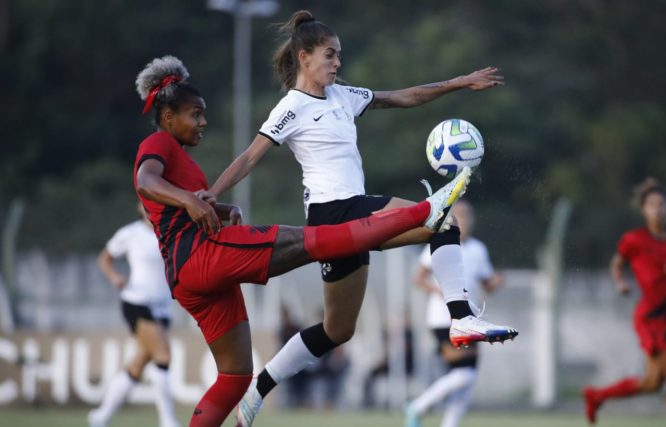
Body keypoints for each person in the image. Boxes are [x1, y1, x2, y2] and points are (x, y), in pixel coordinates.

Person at [202, 11, 517, 425]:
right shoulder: (291, 107)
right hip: (330, 219)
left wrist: (458, 82)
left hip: (357, 207)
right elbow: (249, 156)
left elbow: (403, 96)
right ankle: (257, 392)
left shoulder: (344, 96)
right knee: (338, 328)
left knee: (442, 223)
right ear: (304, 57)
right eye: (329, 55)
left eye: (339, 56)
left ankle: (461, 317)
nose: (337, 63)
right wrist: (212, 194)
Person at [133, 55, 472, 427]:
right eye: (195, 114)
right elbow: (145, 182)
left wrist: (218, 204)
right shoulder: (159, 142)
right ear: (168, 117)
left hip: (187, 277)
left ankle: (450, 281)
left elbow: (176, 206)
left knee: (235, 376)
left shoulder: (182, 156)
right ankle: (426, 208)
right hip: (202, 255)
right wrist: (190, 200)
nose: (203, 122)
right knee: (311, 242)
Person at [582, 178, 666, 427]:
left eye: (661, 204)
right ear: (644, 210)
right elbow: (617, 264)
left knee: (652, 383)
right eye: (652, 204)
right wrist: (621, 282)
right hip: (650, 317)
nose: (657, 209)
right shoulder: (634, 240)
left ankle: (597, 396)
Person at [405, 200, 503, 427]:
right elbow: (418, 278)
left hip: (471, 320)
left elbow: (487, 283)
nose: (465, 221)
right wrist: (440, 290)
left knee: (467, 378)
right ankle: (417, 406)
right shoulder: (441, 243)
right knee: (465, 374)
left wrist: (497, 281)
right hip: (442, 319)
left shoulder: (478, 249)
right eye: (460, 215)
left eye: (468, 216)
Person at [88, 202, 180, 427]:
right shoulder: (130, 233)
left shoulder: (168, 234)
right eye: (146, 205)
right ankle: (167, 421)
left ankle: (100, 417)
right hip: (136, 302)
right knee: (163, 355)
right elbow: (105, 258)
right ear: (140, 208)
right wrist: (115, 278)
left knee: (137, 365)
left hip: (163, 306)